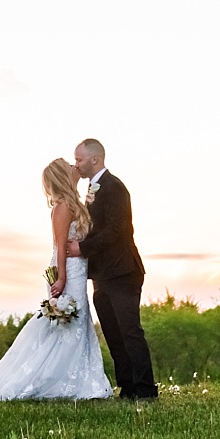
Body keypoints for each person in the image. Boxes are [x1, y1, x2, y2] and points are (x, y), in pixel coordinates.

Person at [0, 158, 112, 401]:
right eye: (69, 166)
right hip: (67, 270)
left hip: (78, 268)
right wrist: (61, 278)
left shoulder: (75, 202)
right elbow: (59, 246)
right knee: (68, 321)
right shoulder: (61, 207)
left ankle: (78, 379)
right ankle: (53, 380)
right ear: (63, 175)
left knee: (77, 322)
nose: (75, 167)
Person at [66, 137, 158, 400]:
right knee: (112, 333)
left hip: (122, 271)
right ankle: (127, 386)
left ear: (95, 159)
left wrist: (82, 249)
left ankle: (145, 389)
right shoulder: (93, 188)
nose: (77, 165)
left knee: (130, 331)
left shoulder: (115, 187)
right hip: (102, 274)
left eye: (80, 160)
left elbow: (119, 230)